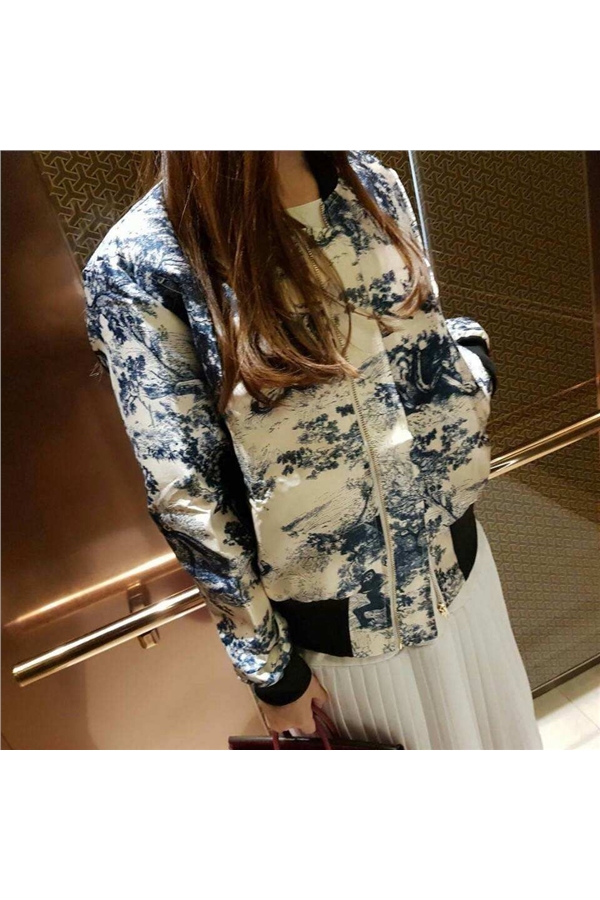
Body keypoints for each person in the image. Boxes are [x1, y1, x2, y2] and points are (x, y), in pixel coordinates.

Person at [82, 150, 543, 750]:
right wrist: (273, 672)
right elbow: (187, 493)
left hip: (466, 576)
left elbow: (418, 343)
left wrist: (471, 362)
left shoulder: (368, 181)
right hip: (347, 645)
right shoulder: (141, 262)